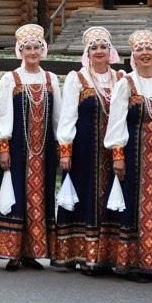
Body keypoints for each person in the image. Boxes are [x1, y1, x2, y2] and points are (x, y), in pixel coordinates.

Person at [53, 26, 123, 273]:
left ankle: (106, 255)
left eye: (103, 46)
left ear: (110, 50)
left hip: (112, 150)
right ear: (87, 53)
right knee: (84, 193)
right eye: (94, 48)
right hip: (84, 147)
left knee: (110, 197)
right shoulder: (78, 78)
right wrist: (65, 148)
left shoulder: (120, 78)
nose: (99, 51)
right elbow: (68, 115)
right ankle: (79, 253)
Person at [104, 30, 152, 280]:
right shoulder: (126, 83)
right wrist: (118, 154)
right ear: (133, 56)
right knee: (133, 203)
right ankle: (132, 262)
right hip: (133, 152)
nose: (145, 54)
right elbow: (116, 120)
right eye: (140, 50)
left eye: (149, 50)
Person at [0, 24, 61, 271]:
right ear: (20, 51)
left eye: (36, 48)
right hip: (19, 147)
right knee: (17, 195)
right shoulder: (11, 79)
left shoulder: (51, 79)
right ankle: (13, 252)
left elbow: (58, 116)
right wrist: (4, 147)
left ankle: (33, 251)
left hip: (44, 150)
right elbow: (3, 115)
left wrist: (61, 146)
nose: (32, 52)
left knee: (42, 197)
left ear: (43, 50)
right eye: (27, 48)